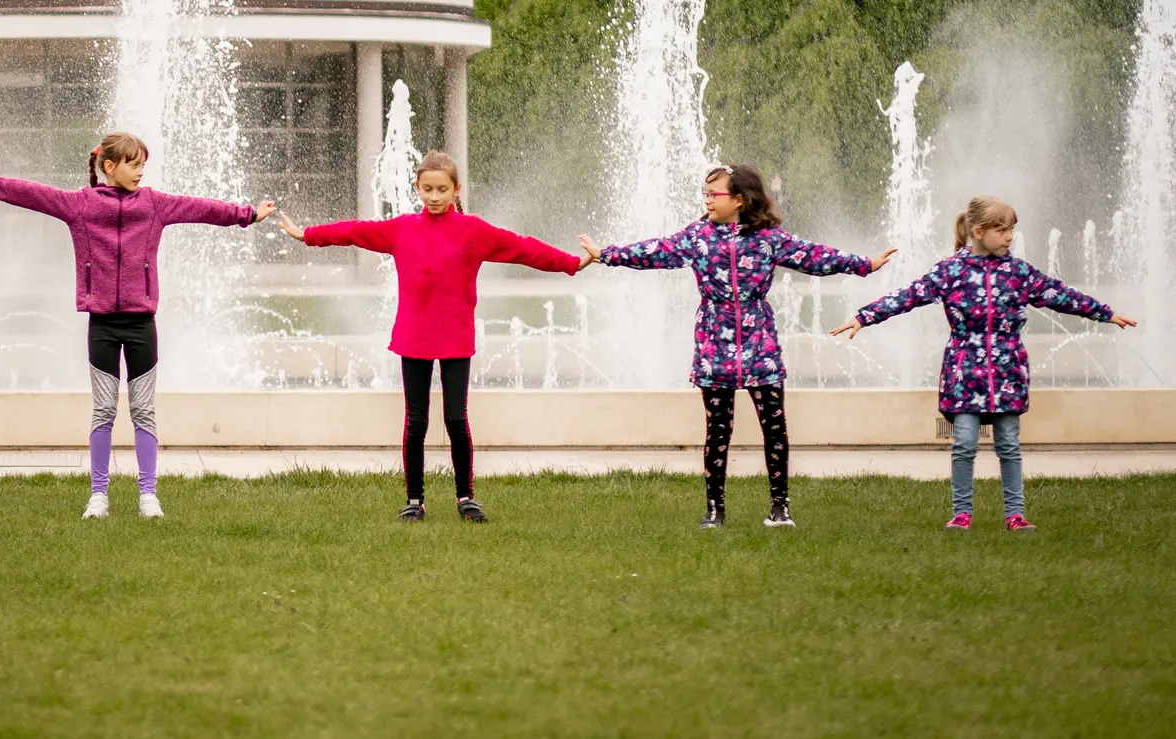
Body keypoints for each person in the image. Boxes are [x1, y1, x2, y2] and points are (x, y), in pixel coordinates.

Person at [0, 135, 268, 519]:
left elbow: (201, 209)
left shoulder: (155, 205)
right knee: (104, 411)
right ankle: (98, 496)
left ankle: (148, 496)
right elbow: (29, 194)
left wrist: (247, 215)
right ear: (109, 167)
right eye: (133, 164)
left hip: (142, 325)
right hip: (102, 326)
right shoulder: (80, 205)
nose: (141, 172)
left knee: (143, 411)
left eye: (143, 164)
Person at [581, 163, 892, 529]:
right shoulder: (697, 237)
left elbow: (814, 256)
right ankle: (715, 510)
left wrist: (863, 265)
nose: (708, 200)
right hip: (715, 347)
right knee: (717, 430)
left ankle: (780, 509)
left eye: (715, 194)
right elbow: (655, 251)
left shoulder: (768, 238)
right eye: (706, 194)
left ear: (740, 200)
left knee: (774, 428)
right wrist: (606, 254)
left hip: (760, 346)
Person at [277, 150, 581, 522]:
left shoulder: (474, 232)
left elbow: (522, 248)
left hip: (455, 339)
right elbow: (355, 231)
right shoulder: (402, 229)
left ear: (456, 190)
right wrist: (306, 234)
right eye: (427, 189)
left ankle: (465, 498)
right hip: (414, 338)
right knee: (416, 422)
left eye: (441, 189)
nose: (434, 197)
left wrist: (569, 263)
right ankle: (415, 501)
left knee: (456, 419)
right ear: (418, 189)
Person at [833, 195, 1135, 530]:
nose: (1009, 237)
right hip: (965, 373)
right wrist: (864, 317)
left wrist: (1105, 313)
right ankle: (962, 514)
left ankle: (1015, 516)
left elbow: (1060, 294)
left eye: (1011, 231)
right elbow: (907, 295)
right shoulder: (950, 271)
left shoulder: (1019, 273)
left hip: (1008, 372)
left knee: (1008, 442)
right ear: (978, 231)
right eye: (1002, 230)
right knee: (964, 442)